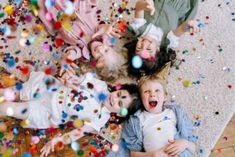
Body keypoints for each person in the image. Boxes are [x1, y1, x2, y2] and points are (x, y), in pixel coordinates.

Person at [0, 70, 140, 157]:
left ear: (120, 114)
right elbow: (78, 80)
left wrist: (58, 140)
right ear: (118, 89)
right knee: (7, 94)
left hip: (47, 112)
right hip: (48, 88)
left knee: (7, 107)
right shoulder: (100, 86)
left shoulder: (100, 119)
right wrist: (70, 79)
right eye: (119, 94)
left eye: (119, 103)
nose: (114, 98)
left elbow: (78, 133)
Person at [37, 0, 126, 80]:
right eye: (106, 50)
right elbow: (101, 27)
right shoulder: (104, 36)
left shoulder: (84, 54)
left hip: (62, 18)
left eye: (99, 57)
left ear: (94, 61)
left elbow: (74, 53)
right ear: (110, 47)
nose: (100, 50)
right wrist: (106, 27)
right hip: (79, 7)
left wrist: (67, 58)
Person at [122, 72, 197, 157]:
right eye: (146, 91)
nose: (152, 94)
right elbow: (133, 154)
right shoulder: (136, 119)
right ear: (141, 99)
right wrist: (153, 155)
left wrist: (185, 143)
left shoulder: (174, 112)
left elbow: (193, 147)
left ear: (165, 96)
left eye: (157, 90)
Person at [125, 0, 199, 78]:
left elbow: (138, 7)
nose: (144, 43)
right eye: (149, 49)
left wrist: (144, 4)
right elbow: (181, 29)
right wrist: (188, 25)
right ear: (157, 50)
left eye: (139, 48)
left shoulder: (140, 29)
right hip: (179, 4)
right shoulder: (168, 41)